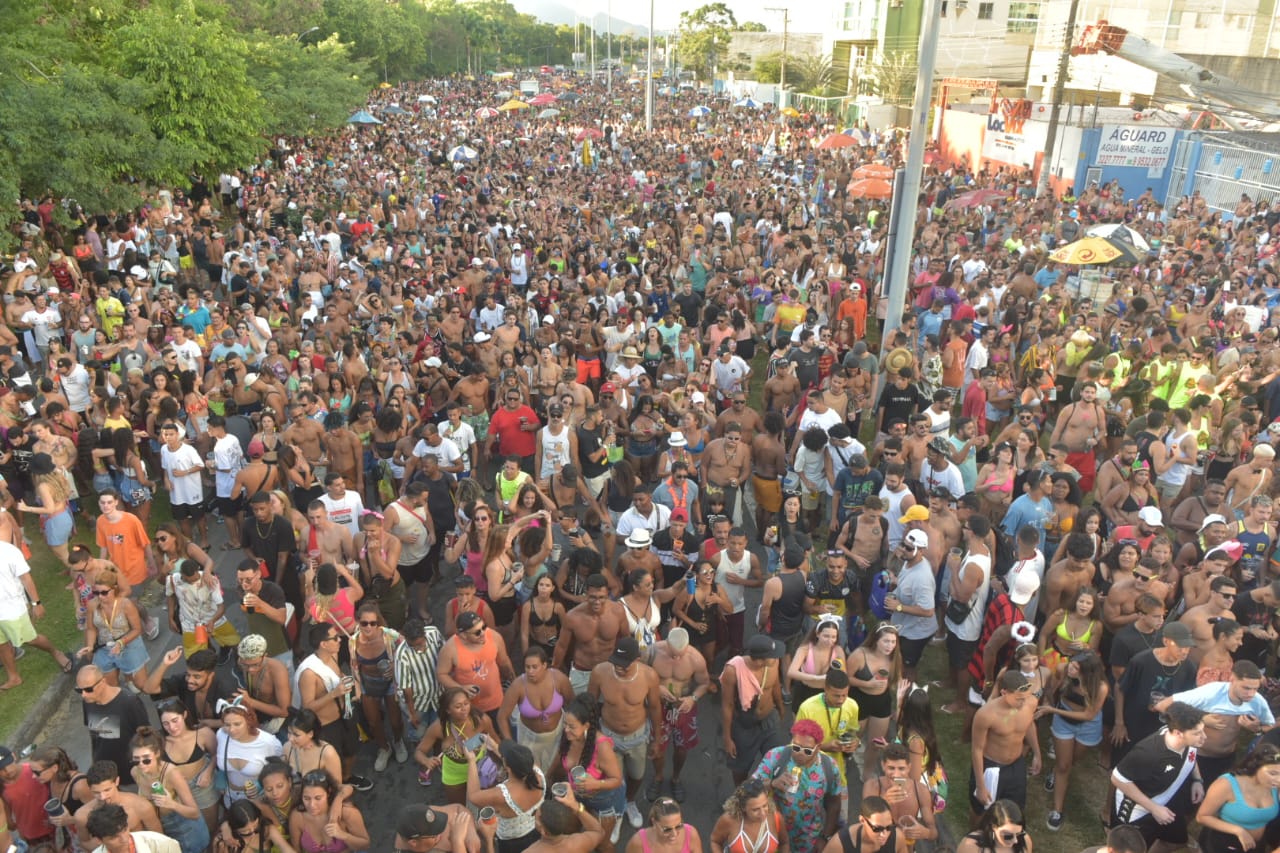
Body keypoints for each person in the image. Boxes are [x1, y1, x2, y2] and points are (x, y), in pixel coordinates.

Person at [1154, 660, 1277, 785]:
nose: (1250, 693)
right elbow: (1163, 705)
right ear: (1232, 679)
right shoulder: (1211, 693)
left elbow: (1271, 727)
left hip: (1228, 760)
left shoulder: (1257, 701)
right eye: (1246, 688)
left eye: (1255, 689)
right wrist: (1201, 718)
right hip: (1198, 758)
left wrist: (1257, 728)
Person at [1111, 702, 1207, 853]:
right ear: (1178, 733)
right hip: (1138, 814)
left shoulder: (1190, 741)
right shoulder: (1149, 753)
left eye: (1202, 730)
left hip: (1168, 803)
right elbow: (1117, 778)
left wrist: (1197, 780)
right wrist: (1154, 808)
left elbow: (1191, 755)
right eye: (1197, 733)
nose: (1204, 737)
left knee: (1175, 841)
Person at [749, 718, 845, 852]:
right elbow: (749, 789)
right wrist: (772, 783)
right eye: (796, 747)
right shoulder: (776, 756)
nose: (800, 753)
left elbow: (834, 804)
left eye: (807, 751)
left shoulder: (829, 767)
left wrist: (825, 837)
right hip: (772, 833)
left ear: (818, 748)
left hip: (809, 839)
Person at [1038, 650, 1109, 831]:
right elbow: (1052, 689)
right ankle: (1057, 810)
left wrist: (1053, 711)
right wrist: (1048, 699)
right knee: (1064, 765)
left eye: (1076, 668)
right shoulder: (1063, 669)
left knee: (1072, 762)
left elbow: (1088, 714)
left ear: (1087, 671)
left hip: (1088, 726)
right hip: (1063, 723)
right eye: (1072, 663)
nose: (1071, 668)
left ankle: (1055, 773)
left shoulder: (1100, 687)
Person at [551, 695, 626, 850]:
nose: (566, 730)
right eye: (565, 724)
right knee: (570, 834)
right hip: (577, 796)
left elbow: (617, 779)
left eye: (572, 726)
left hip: (602, 801)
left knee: (602, 844)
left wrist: (595, 783)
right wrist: (546, 776)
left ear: (586, 726)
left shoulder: (602, 746)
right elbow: (559, 757)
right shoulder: (568, 737)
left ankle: (616, 819)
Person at [649, 627, 711, 802]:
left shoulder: (696, 659)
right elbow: (641, 673)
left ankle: (676, 778)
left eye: (680, 655)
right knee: (657, 745)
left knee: (681, 747)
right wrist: (656, 686)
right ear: (666, 644)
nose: (676, 658)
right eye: (673, 654)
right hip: (659, 707)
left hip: (683, 706)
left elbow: (704, 684)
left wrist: (693, 698)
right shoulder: (653, 651)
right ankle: (658, 776)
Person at [128, 728, 210, 853]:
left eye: (146, 759)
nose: (141, 764)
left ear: (157, 753)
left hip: (185, 828)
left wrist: (171, 804)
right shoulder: (135, 772)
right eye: (136, 759)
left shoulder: (171, 773)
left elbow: (195, 813)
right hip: (161, 827)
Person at [414, 686, 500, 805]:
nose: (464, 709)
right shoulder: (439, 728)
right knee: (459, 808)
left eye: (466, 703)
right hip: (454, 775)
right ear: (448, 710)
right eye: (458, 706)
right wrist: (426, 760)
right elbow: (419, 751)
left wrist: (504, 763)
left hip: (480, 769)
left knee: (484, 805)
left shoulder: (481, 720)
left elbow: (496, 742)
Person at [497, 646, 576, 774]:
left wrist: (571, 730)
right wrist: (512, 745)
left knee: (558, 770)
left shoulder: (559, 679)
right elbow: (502, 716)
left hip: (557, 735)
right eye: (527, 667)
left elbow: (573, 705)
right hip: (530, 738)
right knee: (531, 774)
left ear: (544, 665)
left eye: (535, 667)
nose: (530, 671)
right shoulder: (518, 685)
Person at [971, 670, 1041, 814]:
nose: (1023, 702)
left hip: (1016, 765)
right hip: (991, 767)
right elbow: (977, 749)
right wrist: (980, 786)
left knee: (1015, 810)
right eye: (1018, 698)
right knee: (982, 812)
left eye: (1025, 697)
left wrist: (1037, 753)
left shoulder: (1031, 703)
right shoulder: (986, 714)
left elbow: (1029, 725)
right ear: (1004, 693)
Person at [722, 634, 787, 786]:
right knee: (740, 769)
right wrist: (727, 738)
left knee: (778, 763)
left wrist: (780, 707)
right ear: (759, 660)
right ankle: (741, 796)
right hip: (744, 725)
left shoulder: (774, 662)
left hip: (769, 720)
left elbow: (775, 685)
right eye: (772, 655)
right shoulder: (732, 671)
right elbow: (727, 705)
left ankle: (770, 797)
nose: (777, 656)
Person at [464, 739, 545, 853]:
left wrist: (471, 760)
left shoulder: (503, 795)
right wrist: (495, 747)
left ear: (508, 768)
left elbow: (473, 796)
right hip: (536, 827)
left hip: (513, 841)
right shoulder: (538, 773)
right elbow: (517, 762)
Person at [437, 610, 515, 718]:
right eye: (477, 632)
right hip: (469, 707)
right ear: (463, 635)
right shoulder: (450, 649)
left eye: (484, 627)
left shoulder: (494, 637)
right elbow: (441, 674)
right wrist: (460, 688)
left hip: (496, 701)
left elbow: (504, 662)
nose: (483, 633)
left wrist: (514, 682)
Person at [860, 745, 938, 849]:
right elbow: (863, 825)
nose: (896, 774)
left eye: (901, 769)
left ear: (909, 767)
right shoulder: (872, 786)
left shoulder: (920, 790)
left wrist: (925, 833)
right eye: (891, 768)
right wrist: (883, 801)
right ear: (883, 765)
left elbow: (933, 832)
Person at [215, 704, 283, 810]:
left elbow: (279, 771)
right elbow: (218, 758)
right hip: (229, 796)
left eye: (237, 724)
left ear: (249, 721)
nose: (231, 730)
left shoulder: (268, 742)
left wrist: (260, 785)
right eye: (227, 724)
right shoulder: (221, 735)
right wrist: (221, 779)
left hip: (258, 800)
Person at [286, 770, 370, 853]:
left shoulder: (347, 812)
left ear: (328, 793)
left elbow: (365, 844)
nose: (312, 805)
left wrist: (343, 835)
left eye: (318, 798)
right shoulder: (297, 816)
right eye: (306, 798)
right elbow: (296, 848)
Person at [708, 778, 789, 853]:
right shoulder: (728, 820)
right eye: (755, 809)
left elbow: (784, 843)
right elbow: (715, 841)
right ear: (743, 807)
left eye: (765, 806)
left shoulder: (775, 818)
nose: (763, 813)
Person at [820, 796, 909, 853]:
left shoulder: (897, 838)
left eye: (889, 827)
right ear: (862, 820)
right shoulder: (840, 844)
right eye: (877, 829)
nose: (884, 834)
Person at [84, 803, 177, 853]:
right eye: (114, 837)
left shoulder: (162, 844)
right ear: (99, 840)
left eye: (124, 830)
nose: (124, 839)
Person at [624, 797, 705, 853]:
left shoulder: (691, 834)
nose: (674, 834)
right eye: (667, 829)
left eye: (678, 826)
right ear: (654, 822)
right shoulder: (638, 843)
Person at [393, 802, 481, 853]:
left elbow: (458, 808)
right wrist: (457, 841)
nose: (440, 835)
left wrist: (471, 832)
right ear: (413, 842)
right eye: (434, 835)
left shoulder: (420, 817)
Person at [955, 799, 1032, 853]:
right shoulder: (971, 846)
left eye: (1019, 834)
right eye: (1008, 836)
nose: (1015, 840)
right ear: (993, 827)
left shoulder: (1025, 840)